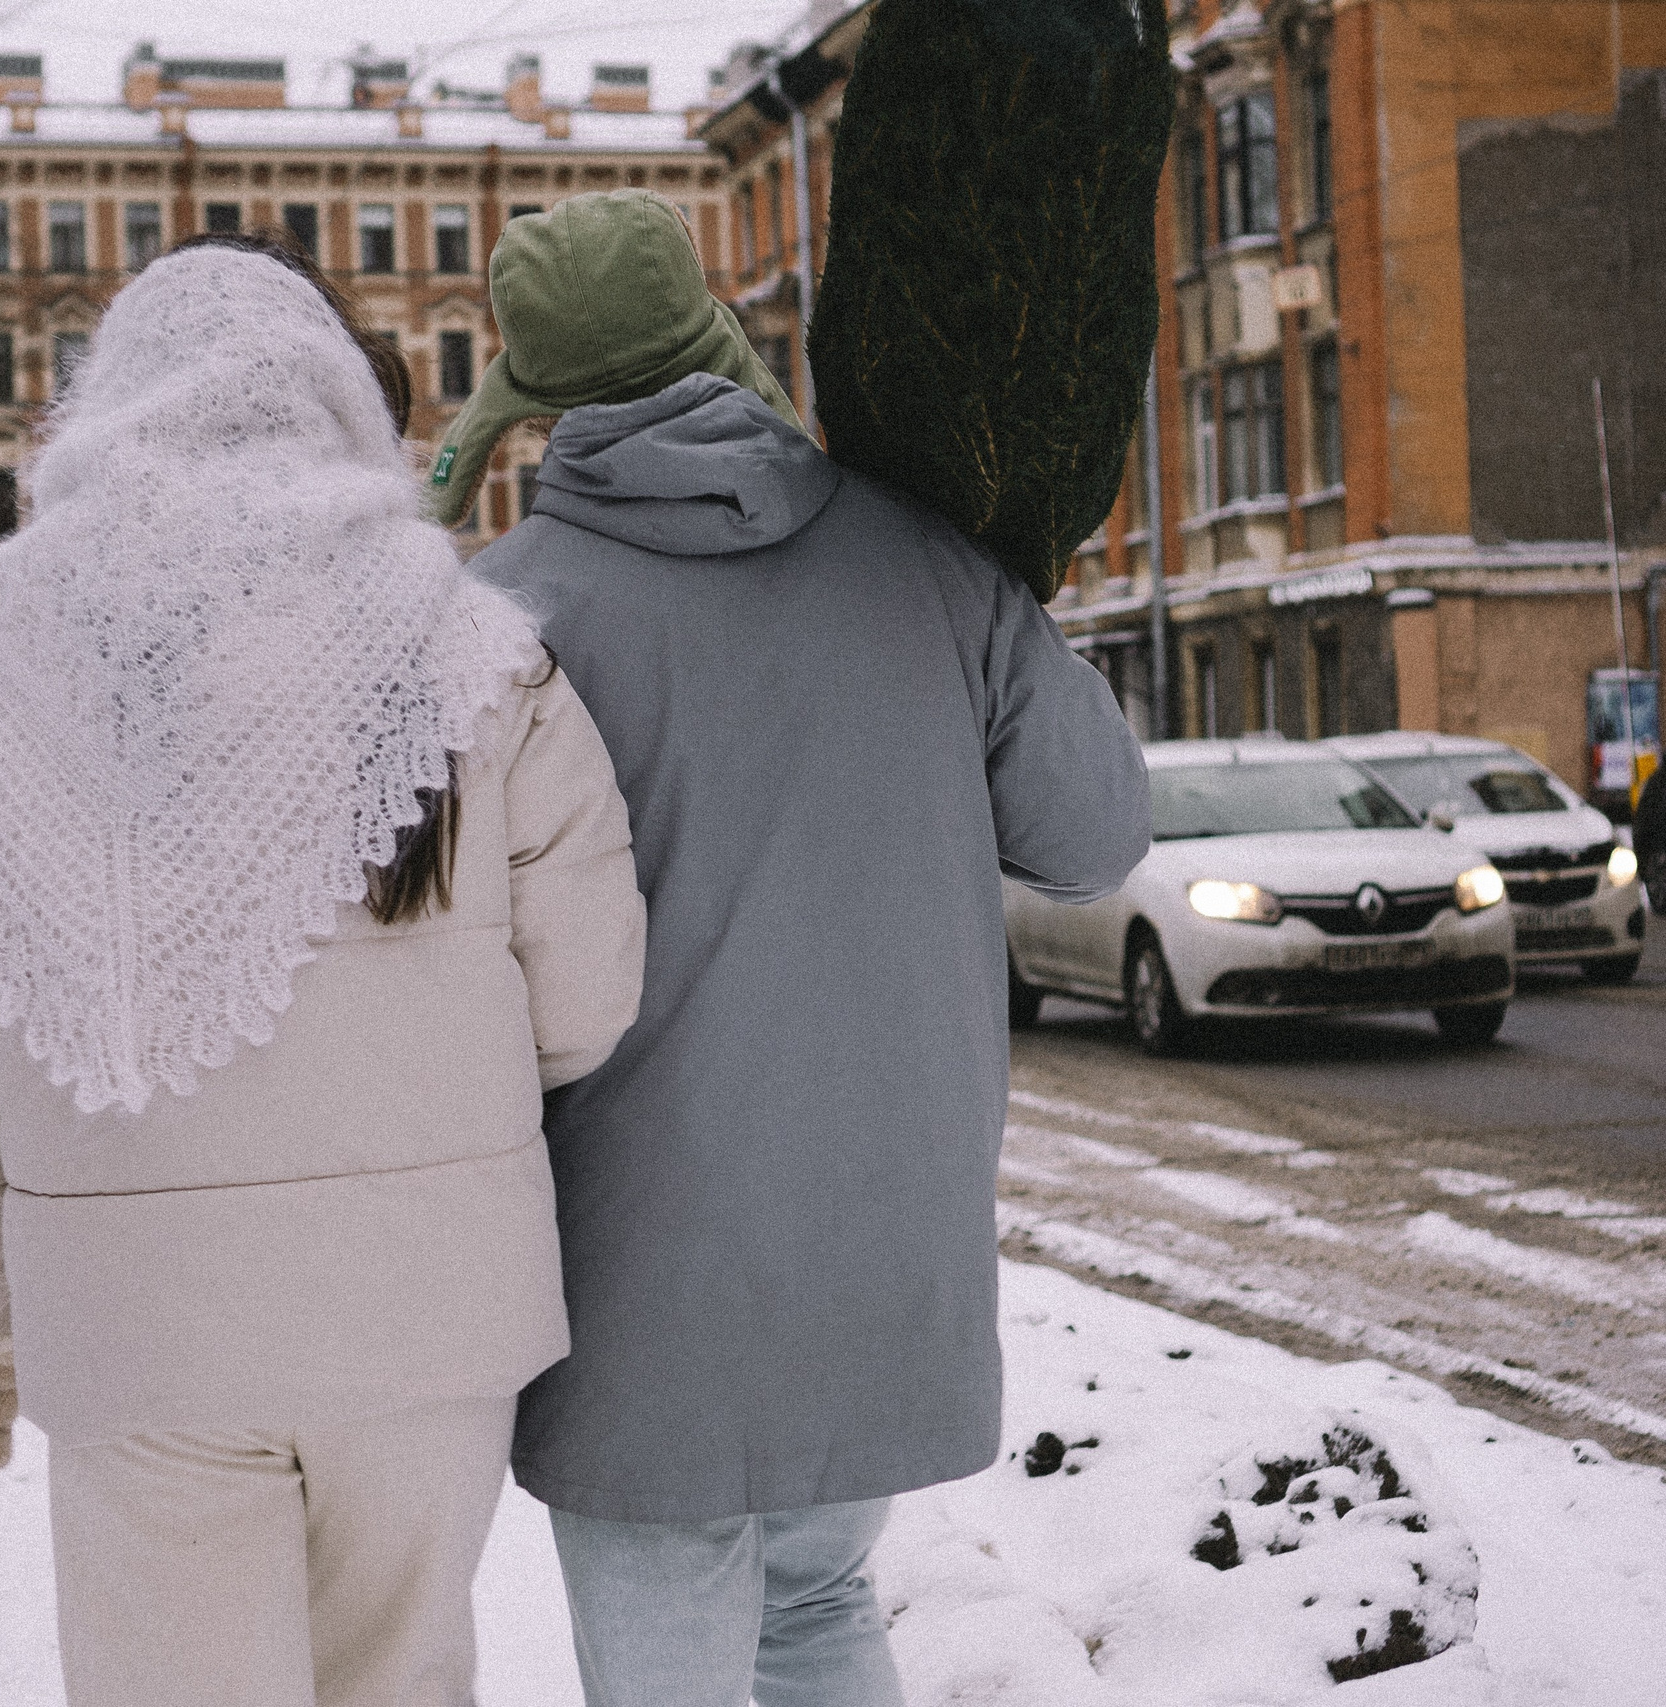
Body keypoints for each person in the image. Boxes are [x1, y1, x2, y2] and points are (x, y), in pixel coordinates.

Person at [0, 233, 646, 1707]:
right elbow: (587, 995)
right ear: (334, 396)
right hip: (427, 1310)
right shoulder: (468, 650)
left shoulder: (4, 655)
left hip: (137, 1326)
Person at [435, 189, 1152, 1707]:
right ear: (712, 335)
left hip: (635, 1279)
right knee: (820, 1600)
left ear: (533, 393)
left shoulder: (495, 620)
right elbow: (1096, 836)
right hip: (888, 1253)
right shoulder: (932, 566)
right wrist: (1003, 600)